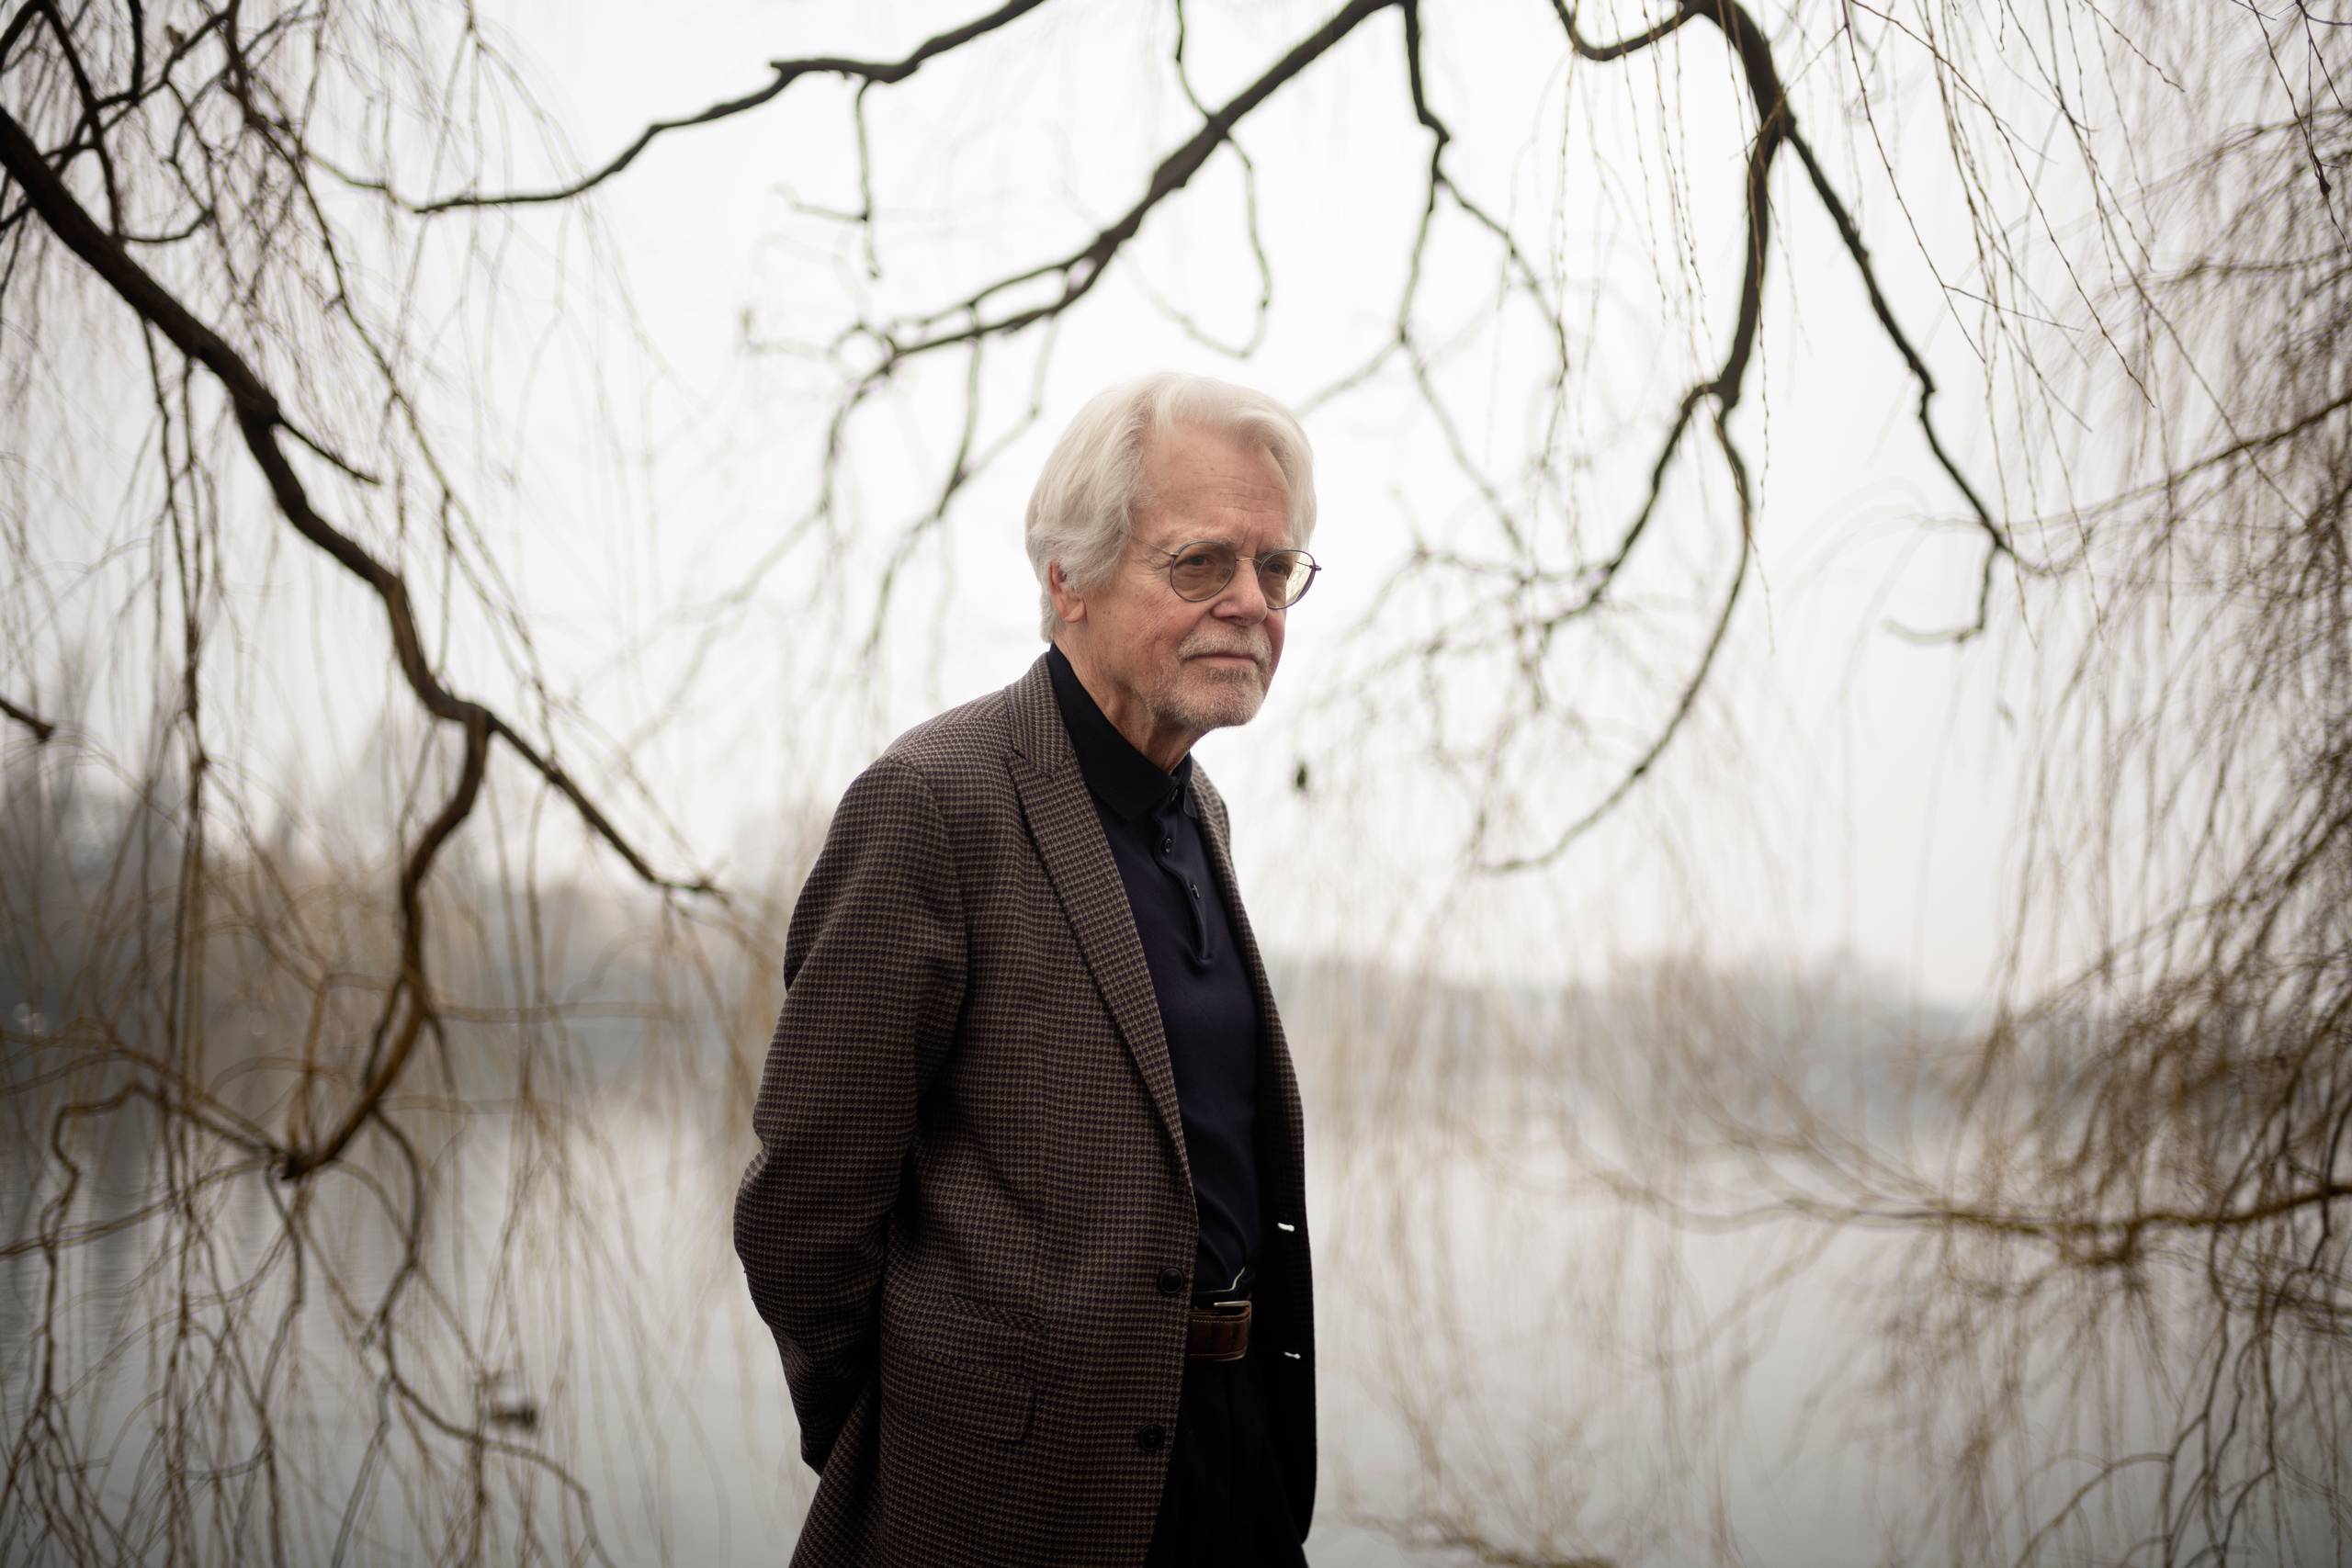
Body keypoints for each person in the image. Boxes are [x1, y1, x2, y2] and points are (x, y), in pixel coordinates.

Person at [733, 371, 1323, 1566]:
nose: (1250, 603)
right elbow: (805, 1210)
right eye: (1201, 564)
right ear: (1069, 581)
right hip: (1003, 1506)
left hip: (1236, 1468)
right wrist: (914, 1445)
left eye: (1275, 568)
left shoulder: (1199, 811)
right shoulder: (934, 804)